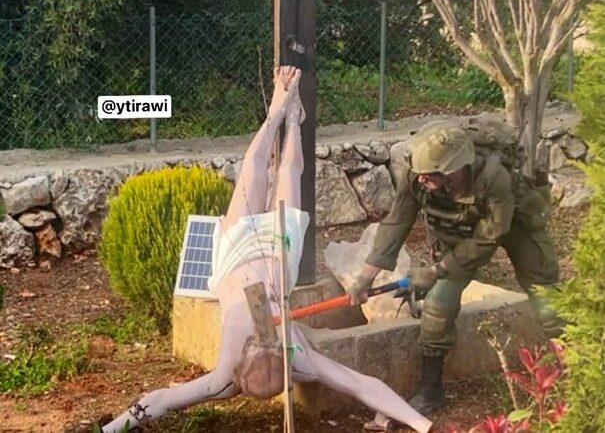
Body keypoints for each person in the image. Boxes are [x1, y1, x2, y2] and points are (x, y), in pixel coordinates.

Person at [101, 66, 433, 433]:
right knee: (287, 172)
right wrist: (422, 425)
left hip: (235, 256)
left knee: (255, 170)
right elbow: (361, 384)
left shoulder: (248, 371)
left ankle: (283, 114)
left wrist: (113, 428)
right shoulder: (287, 364)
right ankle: (288, 118)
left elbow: (162, 399)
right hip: (276, 257)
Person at [348, 120, 561, 419]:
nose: (422, 179)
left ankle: (571, 366)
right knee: (438, 303)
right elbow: (397, 222)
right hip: (461, 234)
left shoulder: (494, 177)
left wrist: (435, 271)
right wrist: (364, 278)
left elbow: (488, 238)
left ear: (454, 170)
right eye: (420, 173)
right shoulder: (417, 175)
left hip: (514, 225)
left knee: (545, 295)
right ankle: (431, 391)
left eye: (430, 174)